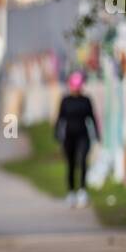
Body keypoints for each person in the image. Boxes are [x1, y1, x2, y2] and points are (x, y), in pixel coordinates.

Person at [54, 70, 100, 208]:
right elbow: (60, 118)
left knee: (83, 161)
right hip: (69, 137)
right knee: (71, 164)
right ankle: (71, 192)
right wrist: (56, 133)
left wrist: (97, 134)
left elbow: (92, 117)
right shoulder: (65, 100)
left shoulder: (86, 100)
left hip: (83, 135)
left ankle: (82, 191)